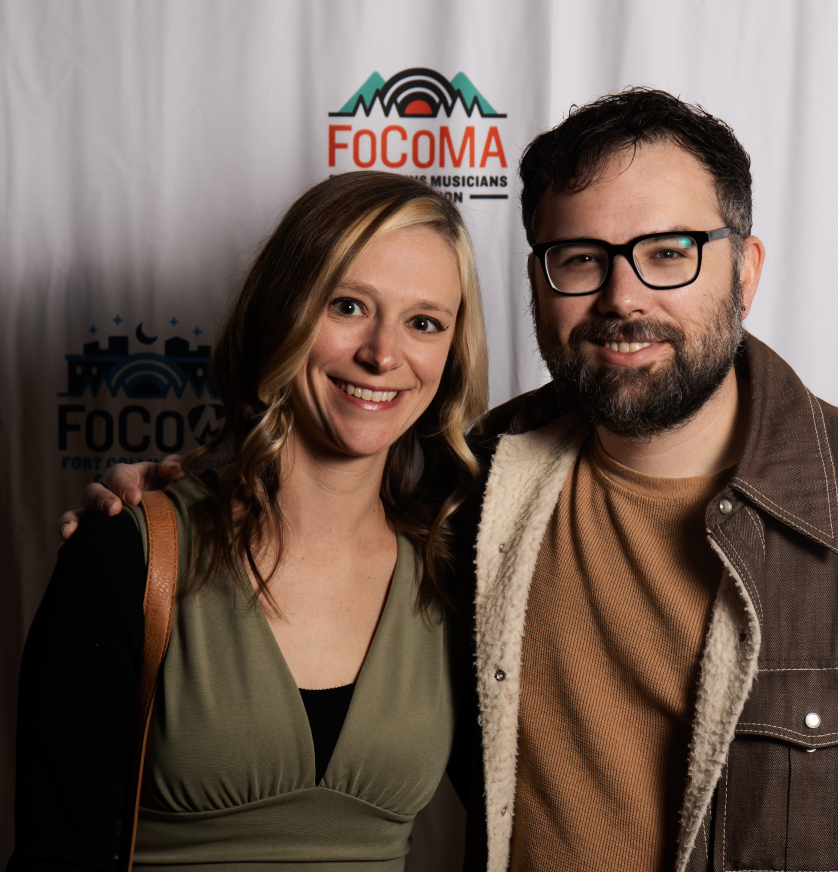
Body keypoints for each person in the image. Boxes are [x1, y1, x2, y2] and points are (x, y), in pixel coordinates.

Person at [62, 90, 838, 871]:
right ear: (534, 284)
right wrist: (157, 502)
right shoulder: (472, 485)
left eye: (668, 252)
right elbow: (314, 480)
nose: (622, 295)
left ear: (745, 268)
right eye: (581, 258)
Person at [12, 171, 488, 869]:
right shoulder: (130, 552)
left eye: (424, 322)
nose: (384, 354)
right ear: (283, 311)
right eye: (348, 305)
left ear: (449, 357)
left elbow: (541, 823)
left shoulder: (454, 577)